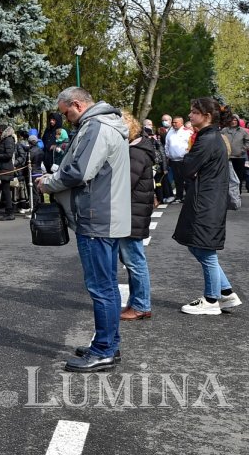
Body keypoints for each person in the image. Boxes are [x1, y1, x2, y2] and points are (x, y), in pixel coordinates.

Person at [36, 87, 131, 373]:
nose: (65, 119)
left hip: (96, 216)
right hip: (105, 214)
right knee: (107, 286)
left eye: (66, 113)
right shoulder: (107, 124)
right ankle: (108, 344)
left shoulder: (96, 126)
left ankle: (103, 350)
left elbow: (79, 172)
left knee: (101, 287)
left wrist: (48, 183)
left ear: (77, 105)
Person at [173, 98, 243, 316]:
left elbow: (187, 167)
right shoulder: (212, 136)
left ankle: (211, 300)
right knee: (198, 246)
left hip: (206, 201)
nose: (190, 116)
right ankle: (226, 293)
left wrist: (187, 160)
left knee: (205, 249)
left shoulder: (207, 138)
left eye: (194, 112)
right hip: (208, 198)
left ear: (207, 116)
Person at [121, 113, 156, 321]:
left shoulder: (135, 152)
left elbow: (125, 183)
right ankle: (136, 302)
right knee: (132, 260)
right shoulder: (138, 149)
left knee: (134, 261)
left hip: (132, 213)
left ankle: (141, 305)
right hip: (134, 211)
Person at [0, 126, 18, 221]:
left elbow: (8, 155)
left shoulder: (8, 140)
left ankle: (9, 213)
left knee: (6, 190)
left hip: (6, 169)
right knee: (4, 190)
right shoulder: (2, 140)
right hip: (2, 168)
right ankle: (8, 211)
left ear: (1, 131)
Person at [164, 116, 191, 202]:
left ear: (181, 123)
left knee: (186, 179)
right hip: (173, 160)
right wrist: (168, 155)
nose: (174, 124)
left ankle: (188, 196)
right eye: (173, 122)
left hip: (184, 160)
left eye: (176, 122)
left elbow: (191, 144)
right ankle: (179, 196)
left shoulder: (187, 132)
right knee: (177, 179)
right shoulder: (170, 132)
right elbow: (167, 145)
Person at [221, 117, 249, 195]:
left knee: (238, 176)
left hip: (239, 157)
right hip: (226, 157)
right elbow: (219, 140)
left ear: (238, 121)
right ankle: (227, 194)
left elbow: (248, 142)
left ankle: (238, 193)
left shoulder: (243, 131)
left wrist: (242, 150)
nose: (233, 122)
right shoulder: (224, 130)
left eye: (235, 120)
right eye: (231, 120)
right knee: (226, 176)